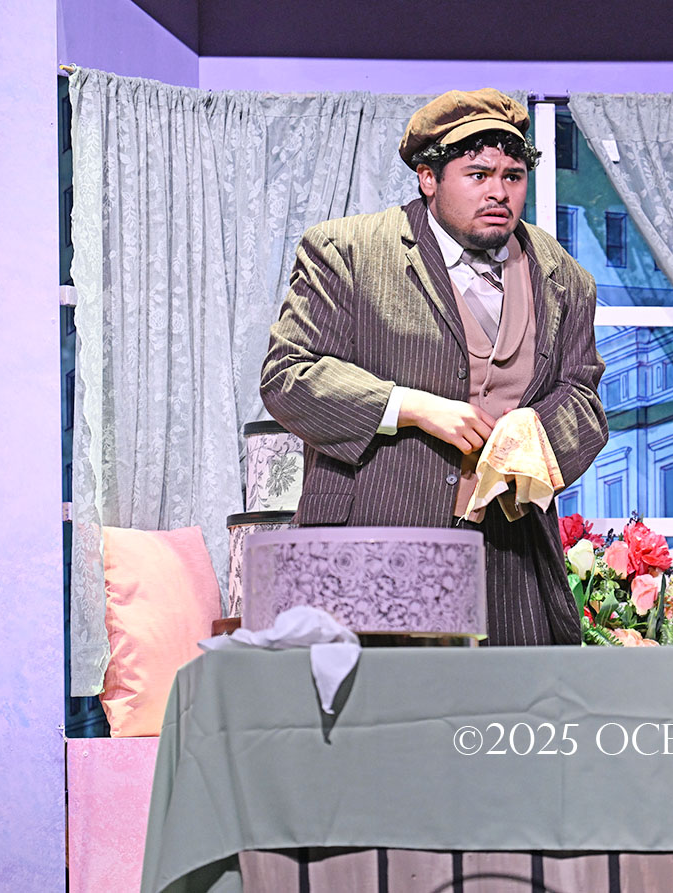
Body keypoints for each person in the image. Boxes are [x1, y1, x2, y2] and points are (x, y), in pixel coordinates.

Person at [261, 88, 607, 646]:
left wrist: (535, 430)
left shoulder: (565, 277)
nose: (499, 192)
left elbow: (583, 397)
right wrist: (411, 407)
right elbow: (288, 376)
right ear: (428, 178)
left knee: (517, 702)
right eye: (478, 174)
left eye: (513, 176)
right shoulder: (347, 250)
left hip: (513, 554)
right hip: (375, 542)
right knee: (386, 702)